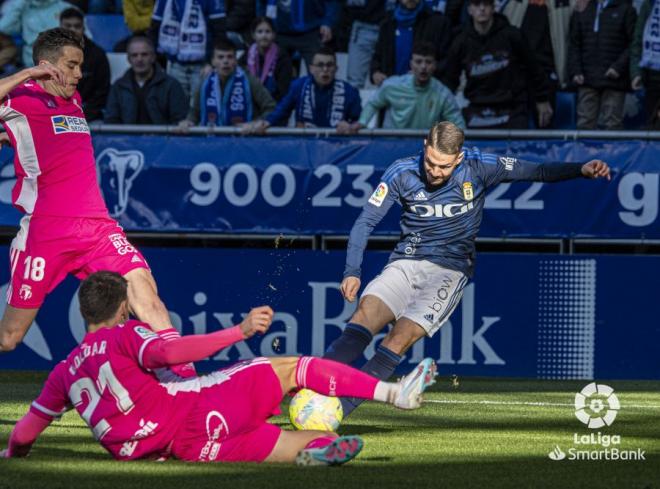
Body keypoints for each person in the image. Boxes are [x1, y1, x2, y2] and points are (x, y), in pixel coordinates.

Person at [322, 121, 611, 419]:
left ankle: (336, 413)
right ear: (424, 147)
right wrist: (351, 270)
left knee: (397, 339)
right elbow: (365, 221)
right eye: (431, 163)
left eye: (444, 167)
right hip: (405, 263)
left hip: (449, 270)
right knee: (362, 319)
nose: (435, 172)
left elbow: (535, 171)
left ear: (459, 158)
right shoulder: (400, 172)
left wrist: (581, 169)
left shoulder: (481, 166)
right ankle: (314, 390)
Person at [1, 271, 437, 465]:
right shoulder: (125, 335)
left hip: (180, 449)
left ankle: (312, 449)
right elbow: (172, 354)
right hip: (197, 409)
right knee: (294, 368)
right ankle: (395, 394)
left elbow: (24, 434)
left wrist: (12, 453)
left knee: (283, 442)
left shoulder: (62, 372)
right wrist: (239, 330)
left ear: (82, 312)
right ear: (122, 309)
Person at [0, 29, 181, 358]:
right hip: (46, 231)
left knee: (145, 292)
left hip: (96, 227)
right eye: (71, 66)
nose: (79, 74)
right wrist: (26, 74)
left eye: (80, 66)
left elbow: (49, 139)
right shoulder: (19, 97)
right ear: (45, 66)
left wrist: (11, 137)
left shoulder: (74, 97)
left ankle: (182, 380)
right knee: (8, 338)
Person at [442, 0, 553, 129]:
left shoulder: (512, 36)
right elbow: (450, 80)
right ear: (469, 10)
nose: (482, 9)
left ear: (494, 8)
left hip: (512, 108)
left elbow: (534, 69)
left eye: (486, 4)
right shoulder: (461, 42)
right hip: (477, 110)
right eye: (477, 5)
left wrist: (542, 99)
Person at [353, 42, 465, 131]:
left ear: (435, 65)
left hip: (426, 148)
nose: (423, 67)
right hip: (393, 144)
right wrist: (362, 122)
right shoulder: (392, 86)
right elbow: (373, 104)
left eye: (428, 62)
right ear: (411, 64)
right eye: (418, 61)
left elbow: (458, 124)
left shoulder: (443, 93)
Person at [248, 47, 361, 133]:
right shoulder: (298, 86)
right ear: (311, 68)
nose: (325, 69)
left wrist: (349, 125)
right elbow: (281, 110)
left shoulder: (349, 91)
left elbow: (359, 121)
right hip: (305, 146)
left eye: (329, 65)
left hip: (336, 146)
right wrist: (266, 122)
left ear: (336, 69)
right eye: (320, 65)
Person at [567, 0, 636, 130]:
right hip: (586, 80)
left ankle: (614, 151)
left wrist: (618, 67)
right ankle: (583, 151)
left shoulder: (626, 10)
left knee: (612, 125)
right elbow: (574, 43)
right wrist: (576, 71)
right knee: (584, 125)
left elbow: (634, 44)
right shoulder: (582, 8)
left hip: (615, 81)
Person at [181, 38, 276, 127]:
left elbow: (271, 108)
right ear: (213, 61)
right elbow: (194, 112)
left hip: (245, 140)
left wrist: (256, 123)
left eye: (230, 57)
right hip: (211, 141)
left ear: (235, 60)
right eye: (220, 57)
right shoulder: (204, 83)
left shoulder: (249, 80)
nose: (225, 61)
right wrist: (189, 122)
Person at [105, 35, 188, 124]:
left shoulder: (171, 85)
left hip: (161, 138)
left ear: (153, 57)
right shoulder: (118, 87)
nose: (139, 59)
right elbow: (111, 120)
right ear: (128, 59)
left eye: (144, 54)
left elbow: (179, 121)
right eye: (134, 55)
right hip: (127, 138)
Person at [370, 0, 452, 86]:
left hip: (425, 90)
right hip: (392, 89)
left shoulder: (438, 22)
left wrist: (424, 73)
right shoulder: (387, 23)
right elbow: (377, 55)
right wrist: (375, 72)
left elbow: (446, 60)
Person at [59, 8, 111, 122]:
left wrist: (80, 116)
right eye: (67, 26)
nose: (72, 30)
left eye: (77, 26)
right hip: (57, 115)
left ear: (83, 28)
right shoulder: (49, 54)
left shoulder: (98, 55)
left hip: (89, 117)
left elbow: (102, 92)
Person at [255, 0, 339, 68]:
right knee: (275, 76)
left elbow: (331, 2)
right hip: (279, 33)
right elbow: (261, 3)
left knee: (320, 71)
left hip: (310, 32)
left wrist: (327, 22)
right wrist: (263, 23)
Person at [240, 16, 293, 102]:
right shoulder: (247, 55)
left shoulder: (282, 57)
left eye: (268, 32)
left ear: (273, 35)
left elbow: (283, 90)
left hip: (273, 103)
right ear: (253, 35)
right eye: (260, 32)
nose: (264, 36)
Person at [630, 0, 660, 129]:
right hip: (652, 79)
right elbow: (638, 41)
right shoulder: (649, 5)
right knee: (654, 125)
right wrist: (636, 73)